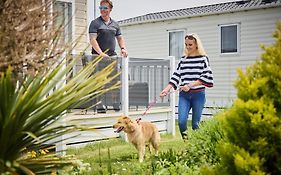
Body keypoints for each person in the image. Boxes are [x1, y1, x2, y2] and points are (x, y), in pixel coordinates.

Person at [160, 33, 213, 140]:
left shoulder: (203, 59)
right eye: (186, 45)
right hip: (184, 95)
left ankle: (197, 144)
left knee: (195, 125)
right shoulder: (183, 60)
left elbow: (207, 76)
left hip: (198, 95)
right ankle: (186, 142)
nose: (188, 47)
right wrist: (166, 89)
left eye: (190, 45)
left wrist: (190, 85)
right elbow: (176, 75)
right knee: (181, 122)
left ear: (196, 45)